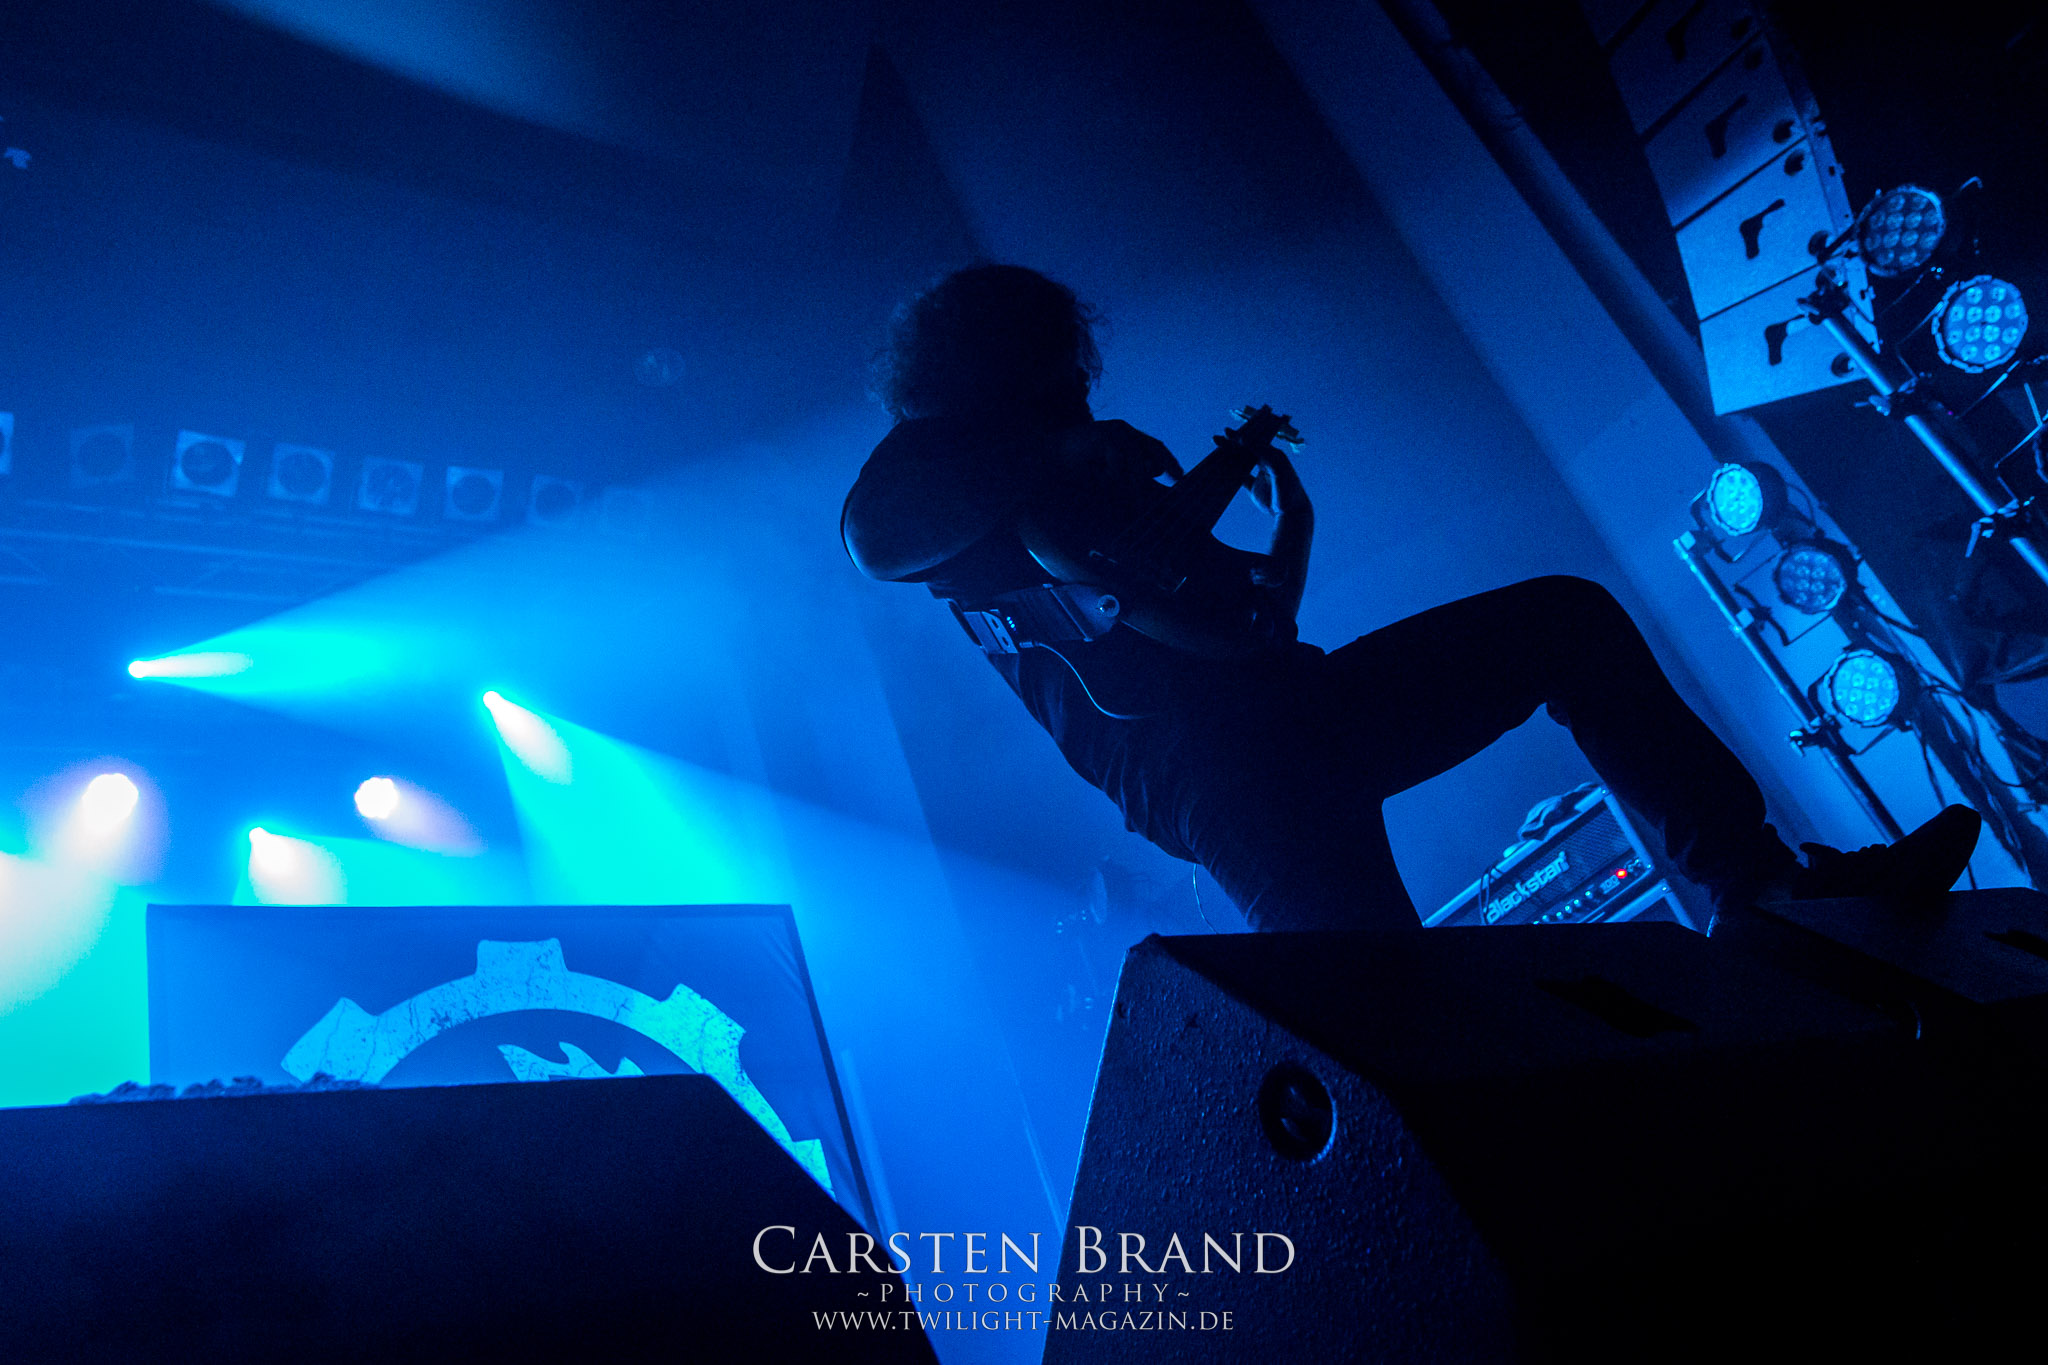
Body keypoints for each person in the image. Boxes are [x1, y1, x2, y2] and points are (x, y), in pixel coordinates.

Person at [840, 263, 1981, 933]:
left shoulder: (1082, 484)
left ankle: (1764, 892)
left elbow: (1251, 624)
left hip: (1291, 714)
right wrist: (1062, 453)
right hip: (1219, 782)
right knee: (1410, 1044)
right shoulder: (937, 499)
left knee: (1566, 620)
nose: (1080, 398)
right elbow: (870, 539)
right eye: (1052, 376)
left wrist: (1288, 532)